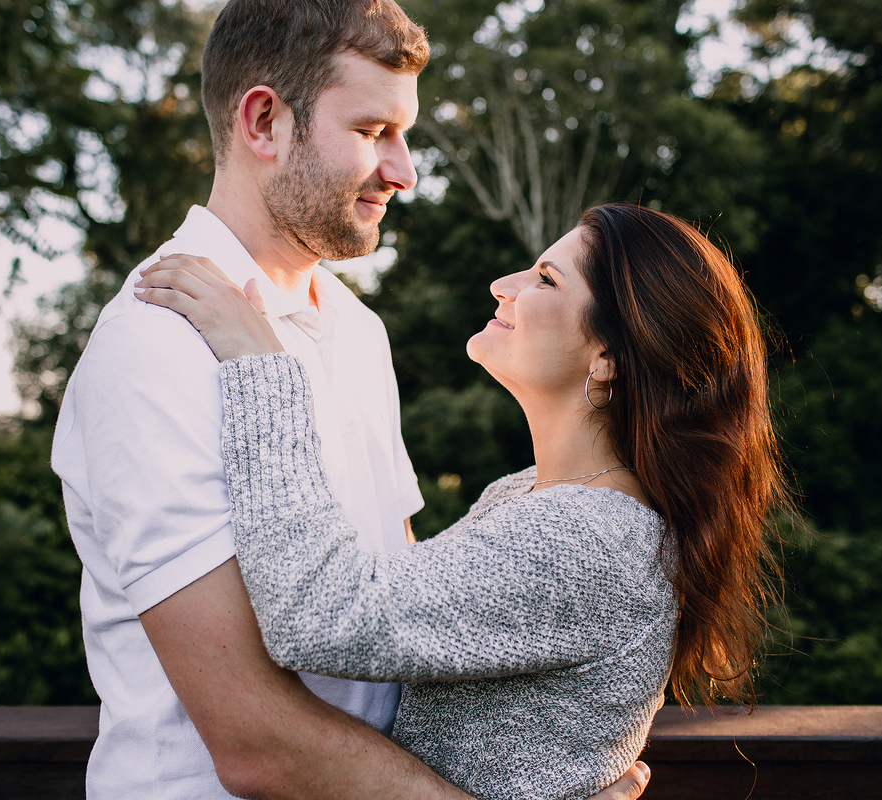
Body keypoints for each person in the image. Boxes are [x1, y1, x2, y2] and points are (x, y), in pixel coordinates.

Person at [51, 0, 652, 797]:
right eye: (374, 133)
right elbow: (256, 741)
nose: (404, 172)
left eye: (404, 135)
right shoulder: (157, 341)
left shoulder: (357, 328)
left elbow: (395, 610)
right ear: (263, 122)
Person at [133, 202, 790, 799]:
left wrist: (262, 364)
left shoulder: (586, 537)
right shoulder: (533, 498)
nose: (505, 285)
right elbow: (419, 618)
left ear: (607, 359)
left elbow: (323, 614)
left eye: (546, 279)